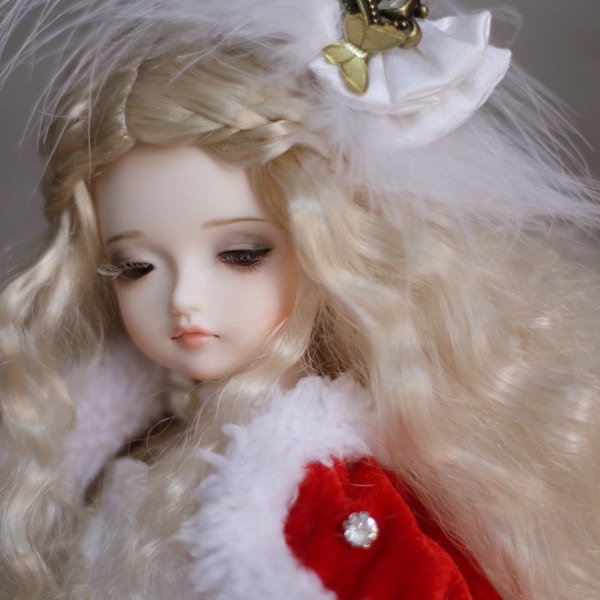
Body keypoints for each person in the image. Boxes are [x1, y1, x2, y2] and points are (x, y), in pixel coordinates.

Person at [0, 0, 599, 598]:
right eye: (136, 267)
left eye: (242, 255)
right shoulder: (119, 442)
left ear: (328, 252)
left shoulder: (333, 501)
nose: (183, 299)